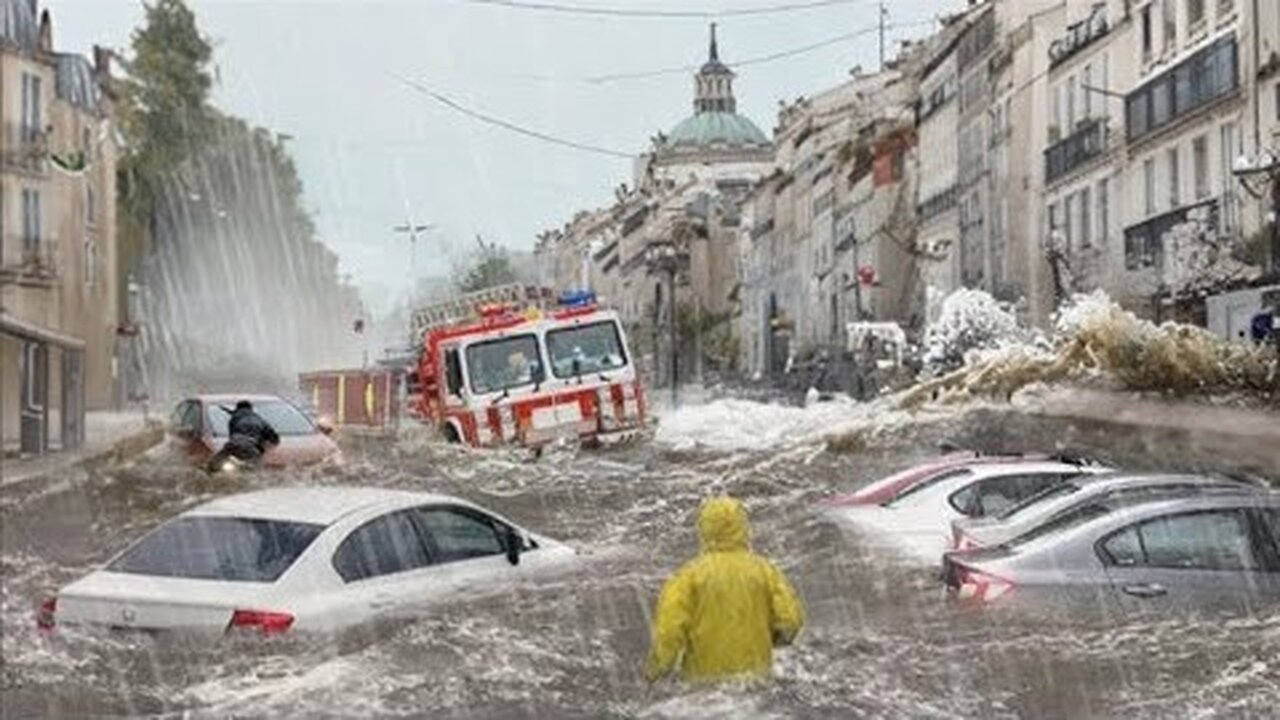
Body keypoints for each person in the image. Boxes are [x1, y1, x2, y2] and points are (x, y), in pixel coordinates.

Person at [644, 496, 805, 683]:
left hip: (704, 684)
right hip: (756, 679)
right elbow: (791, 622)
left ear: (704, 529)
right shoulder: (765, 571)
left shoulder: (687, 577)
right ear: (743, 527)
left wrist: (655, 672)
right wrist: (772, 641)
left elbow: (669, 632)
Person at [207, 400, 279, 471]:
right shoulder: (260, 420)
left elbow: (231, 436)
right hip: (251, 449)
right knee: (256, 473)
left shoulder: (234, 418)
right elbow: (275, 439)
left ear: (237, 408)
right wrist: (265, 448)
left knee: (212, 466)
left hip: (232, 445)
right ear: (251, 409)